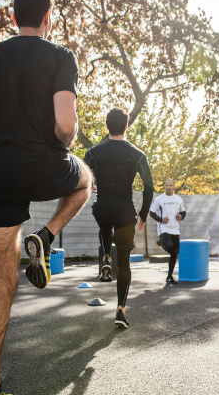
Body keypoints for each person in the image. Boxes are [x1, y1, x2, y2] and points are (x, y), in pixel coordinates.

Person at [0, 0, 91, 393]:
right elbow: (64, 127)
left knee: (1, 284)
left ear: (12, 17)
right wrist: (64, 138)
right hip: (46, 167)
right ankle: (46, 235)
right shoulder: (61, 56)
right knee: (85, 180)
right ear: (47, 18)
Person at [83, 108, 154, 328]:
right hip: (125, 212)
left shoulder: (94, 152)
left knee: (104, 225)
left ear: (107, 126)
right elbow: (149, 187)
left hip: (103, 208)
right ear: (126, 126)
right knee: (124, 263)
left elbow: (82, 176)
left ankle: (105, 255)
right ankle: (120, 311)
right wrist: (143, 214)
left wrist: (91, 184)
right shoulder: (138, 154)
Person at [149, 178, 186, 284]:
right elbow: (152, 213)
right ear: (164, 186)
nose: (168, 187)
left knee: (175, 253)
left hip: (175, 229)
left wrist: (181, 217)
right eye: (167, 185)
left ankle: (169, 277)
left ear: (174, 186)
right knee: (169, 247)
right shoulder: (159, 199)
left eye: (170, 185)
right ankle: (161, 240)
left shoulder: (178, 199)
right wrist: (161, 220)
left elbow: (183, 212)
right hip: (163, 228)